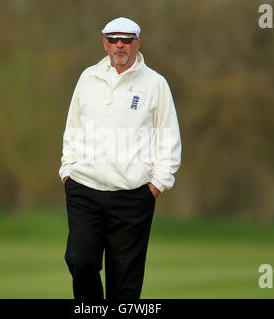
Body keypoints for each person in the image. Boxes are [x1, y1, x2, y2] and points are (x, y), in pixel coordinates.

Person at [59, 17, 182, 300]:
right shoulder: (88, 78)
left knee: (125, 283)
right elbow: (73, 128)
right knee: (81, 261)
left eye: (126, 40)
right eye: (113, 39)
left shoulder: (155, 84)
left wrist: (157, 184)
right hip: (84, 188)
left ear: (137, 43)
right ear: (105, 43)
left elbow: (168, 137)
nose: (120, 46)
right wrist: (68, 169)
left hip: (133, 195)